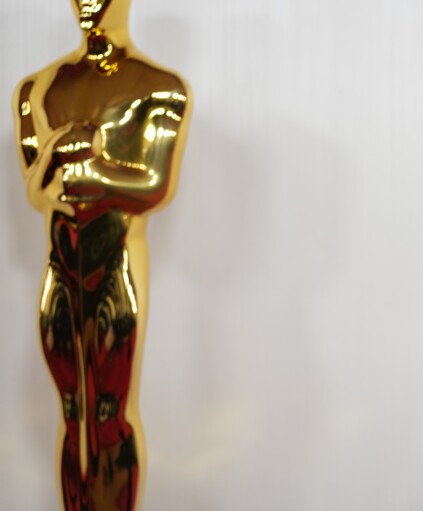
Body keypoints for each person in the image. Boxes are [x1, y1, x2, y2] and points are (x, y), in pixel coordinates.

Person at [13, 1, 191, 509]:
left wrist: (84, 171)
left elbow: (154, 187)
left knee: (111, 409)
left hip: (116, 257)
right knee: (72, 409)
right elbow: (36, 191)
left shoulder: (160, 89)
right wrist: (60, 153)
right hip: (62, 261)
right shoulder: (36, 91)